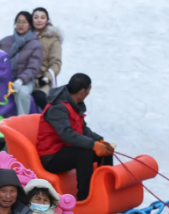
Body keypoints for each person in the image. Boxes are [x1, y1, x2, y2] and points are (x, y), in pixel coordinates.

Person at [36, 73, 114, 202]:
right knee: (85, 153)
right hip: (51, 157)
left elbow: (83, 129)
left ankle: (106, 191)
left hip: (66, 151)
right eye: (89, 89)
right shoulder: (58, 108)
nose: (89, 92)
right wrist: (93, 145)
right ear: (83, 91)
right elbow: (67, 135)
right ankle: (85, 199)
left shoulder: (73, 105)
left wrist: (100, 140)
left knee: (106, 152)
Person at [0, 11, 43, 129]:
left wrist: (21, 80)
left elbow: (33, 67)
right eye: (18, 22)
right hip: (2, 78)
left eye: (24, 22)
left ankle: (22, 123)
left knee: (22, 92)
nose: (20, 25)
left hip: (23, 79)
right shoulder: (5, 42)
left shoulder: (35, 45)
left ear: (30, 25)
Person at [31, 7, 63, 110]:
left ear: (47, 20)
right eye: (36, 17)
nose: (39, 20)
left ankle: (53, 120)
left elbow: (56, 63)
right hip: (25, 78)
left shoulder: (53, 39)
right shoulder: (26, 36)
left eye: (42, 17)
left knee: (40, 98)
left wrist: (47, 77)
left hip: (41, 81)